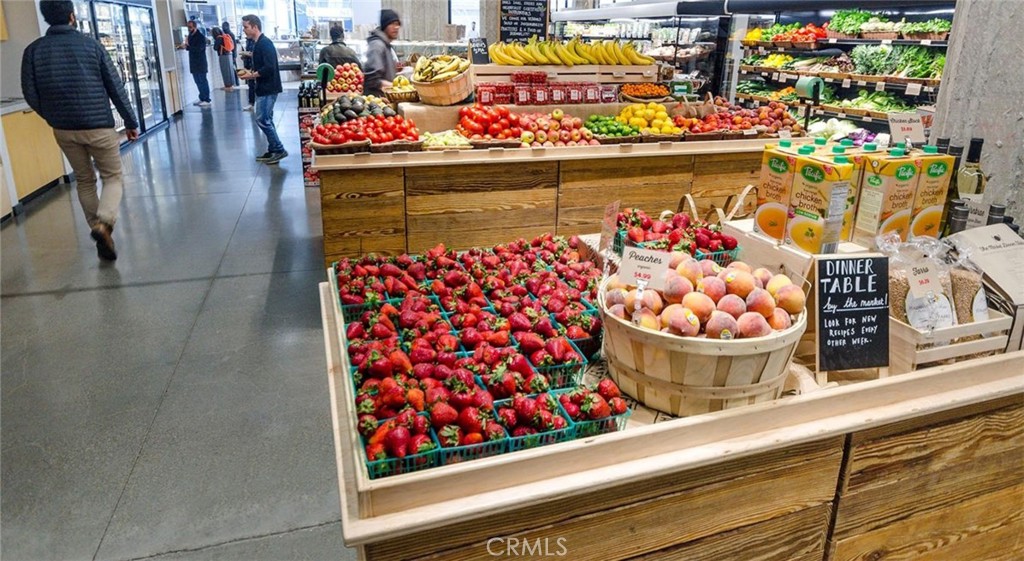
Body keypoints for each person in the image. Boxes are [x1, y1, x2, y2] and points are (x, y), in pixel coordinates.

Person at [22, 0, 139, 261]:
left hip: (64, 129)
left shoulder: (33, 51)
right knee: (112, 177)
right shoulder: (91, 45)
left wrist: (52, 116)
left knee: (85, 180)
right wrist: (131, 122)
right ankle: (104, 224)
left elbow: (30, 92)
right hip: (99, 126)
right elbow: (115, 87)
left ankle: (98, 232)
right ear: (72, 16)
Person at [237, 14, 286, 164]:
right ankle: (272, 149)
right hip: (263, 87)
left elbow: (269, 67)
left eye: (246, 27)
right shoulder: (258, 43)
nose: (244, 30)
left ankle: (278, 149)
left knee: (262, 119)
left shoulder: (265, 43)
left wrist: (251, 75)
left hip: (268, 87)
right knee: (267, 118)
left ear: (255, 27)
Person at [364, 9, 400, 97]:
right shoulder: (377, 45)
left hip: (386, 100)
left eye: (398, 24)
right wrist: (397, 88)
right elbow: (372, 80)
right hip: (377, 103)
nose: (396, 27)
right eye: (392, 24)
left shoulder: (386, 45)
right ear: (384, 26)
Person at [180, 20, 211, 106]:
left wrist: (187, 47)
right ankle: (202, 97)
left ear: (195, 27)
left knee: (202, 81)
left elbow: (199, 49)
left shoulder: (200, 37)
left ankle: (206, 98)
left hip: (200, 63)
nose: (189, 29)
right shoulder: (190, 36)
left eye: (190, 27)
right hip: (193, 63)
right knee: (197, 81)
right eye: (188, 27)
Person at [240, 34, 256, 111]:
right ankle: (251, 103)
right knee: (251, 85)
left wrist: (246, 54)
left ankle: (252, 103)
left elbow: (254, 53)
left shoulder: (255, 41)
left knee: (253, 85)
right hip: (248, 65)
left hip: (254, 65)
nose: (244, 31)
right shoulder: (248, 41)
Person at [222, 21, 240, 86]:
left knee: (234, 69)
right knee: (234, 68)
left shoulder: (229, 34)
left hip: (231, 54)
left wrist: (234, 56)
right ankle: (236, 83)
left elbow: (234, 46)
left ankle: (236, 83)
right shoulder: (229, 34)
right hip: (232, 54)